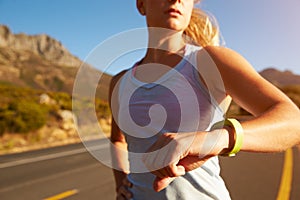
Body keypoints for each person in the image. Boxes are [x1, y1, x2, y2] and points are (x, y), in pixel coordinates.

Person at [108, 0, 300, 199]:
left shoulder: (211, 61)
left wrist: (215, 139)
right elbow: (117, 140)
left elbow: (294, 122)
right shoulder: (120, 82)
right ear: (141, 5)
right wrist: (120, 181)